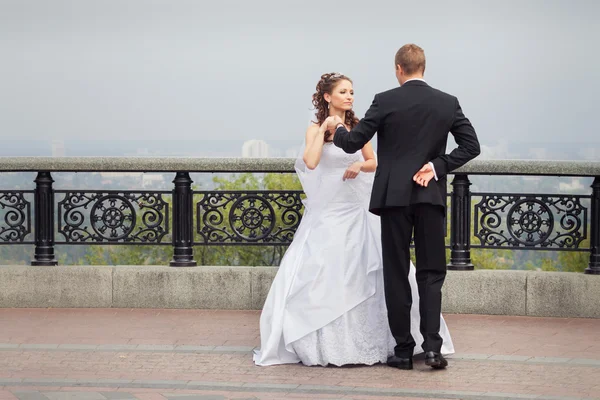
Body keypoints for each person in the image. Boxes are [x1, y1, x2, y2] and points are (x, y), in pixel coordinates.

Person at [253, 72, 454, 368]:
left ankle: (395, 341)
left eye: (352, 92)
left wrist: (360, 165)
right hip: (329, 211)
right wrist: (324, 130)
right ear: (327, 97)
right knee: (324, 270)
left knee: (378, 269)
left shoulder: (358, 127)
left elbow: (373, 161)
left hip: (356, 208)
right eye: (343, 92)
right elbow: (310, 162)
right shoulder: (314, 129)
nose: (349, 96)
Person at [329, 44, 480, 370]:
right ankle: (433, 350)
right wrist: (438, 166)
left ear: (399, 68)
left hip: (394, 200)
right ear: (423, 67)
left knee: (397, 274)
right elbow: (471, 146)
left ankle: (402, 350)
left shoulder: (385, 100)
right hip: (430, 198)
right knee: (431, 274)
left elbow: (353, 143)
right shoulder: (447, 102)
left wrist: (338, 128)